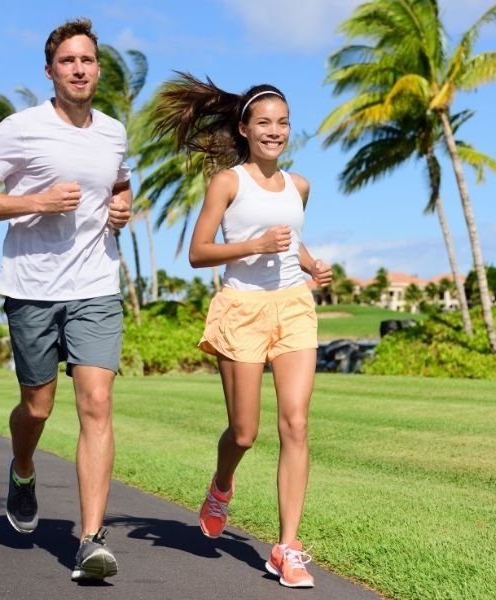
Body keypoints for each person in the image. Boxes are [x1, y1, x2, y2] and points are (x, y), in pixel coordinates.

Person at [0, 18, 132, 582]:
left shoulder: (112, 132)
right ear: (50, 72)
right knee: (37, 407)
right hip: (32, 288)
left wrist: (121, 209)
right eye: (67, 62)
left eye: (87, 60)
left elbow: (118, 181)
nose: (79, 69)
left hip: (97, 286)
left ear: (97, 69)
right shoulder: (20, 129)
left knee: (97, 404)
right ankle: (24, 467)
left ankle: (91, 540)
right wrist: (35, 202)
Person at [151, 72, 333, 589]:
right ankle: (221, 484)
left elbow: (292, 239)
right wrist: (254, 245)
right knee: (246, 432)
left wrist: (312, 264)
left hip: (294, 307)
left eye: (283, 123)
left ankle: (287, 548)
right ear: (245, 128)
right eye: (265, 123)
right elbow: (198, 252)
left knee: (296, 424)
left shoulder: (299, 185)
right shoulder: (228, 182)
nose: (275, 131)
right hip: (242, 311)